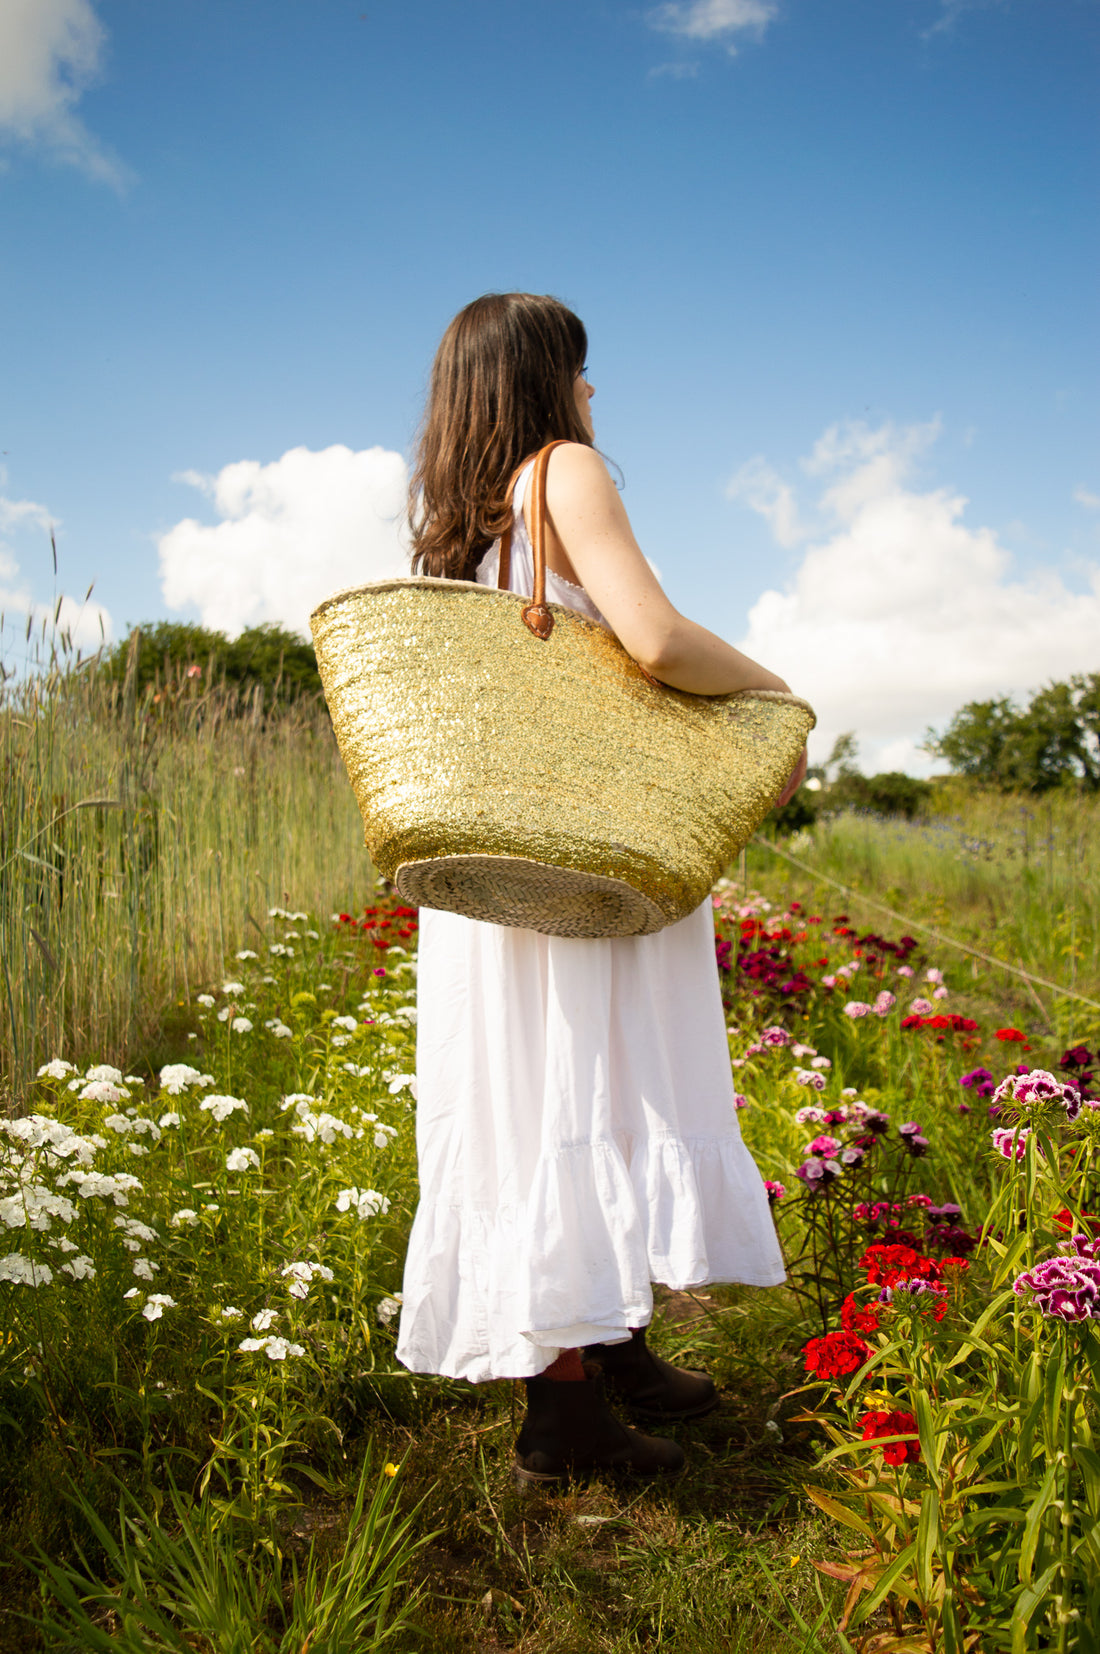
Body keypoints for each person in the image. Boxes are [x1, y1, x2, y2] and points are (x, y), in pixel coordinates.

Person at [395, 292, 806, 1486]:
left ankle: (607, 1344)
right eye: (581, 367)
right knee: (584, 1074)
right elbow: (656, 642)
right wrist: (779, 696)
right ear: (545, 378)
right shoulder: (561, 469)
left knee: (544, 1087)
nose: (593, 389)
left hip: (506, 863)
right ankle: (563, 1416)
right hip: (582, 858)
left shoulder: (454, 521)